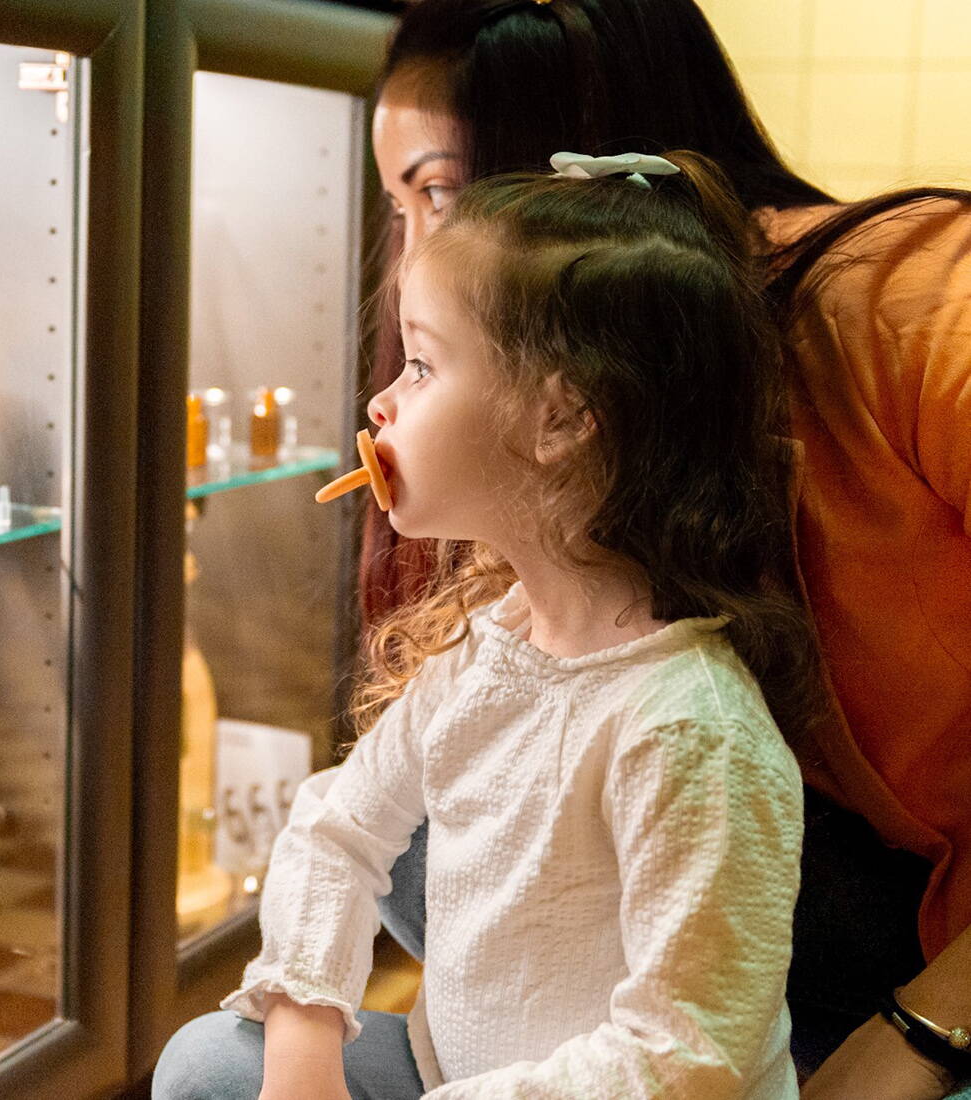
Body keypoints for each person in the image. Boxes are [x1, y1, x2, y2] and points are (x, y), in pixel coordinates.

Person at [356, 4, 971, 1096]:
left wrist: (920, 1031)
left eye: (441, 192)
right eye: (398, 205)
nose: (419, 251)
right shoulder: (605, 455)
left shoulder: (913, 304)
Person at [156, 148, 819, 1098]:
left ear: (563, 421)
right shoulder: (493, 645)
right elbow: (337, 828)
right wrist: (302, 1049)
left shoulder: (689, 729)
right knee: (208, 1067)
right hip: (454, 1073)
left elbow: (686, 1059)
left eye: (421, 365)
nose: (381, 401)